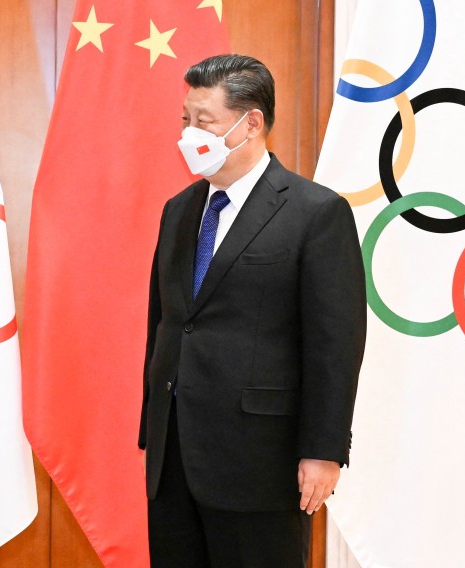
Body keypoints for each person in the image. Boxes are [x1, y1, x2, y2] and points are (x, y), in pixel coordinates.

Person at [140, 55, 366, 567]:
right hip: (173, 457)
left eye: (204, 121)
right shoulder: (179, 210)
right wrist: (151, 427)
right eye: (185, 119)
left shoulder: (315, 212)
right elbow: (168, 322)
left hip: (261, 461)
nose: (189, 133)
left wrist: (324, 449)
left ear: (251, 124)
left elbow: (336, 343)